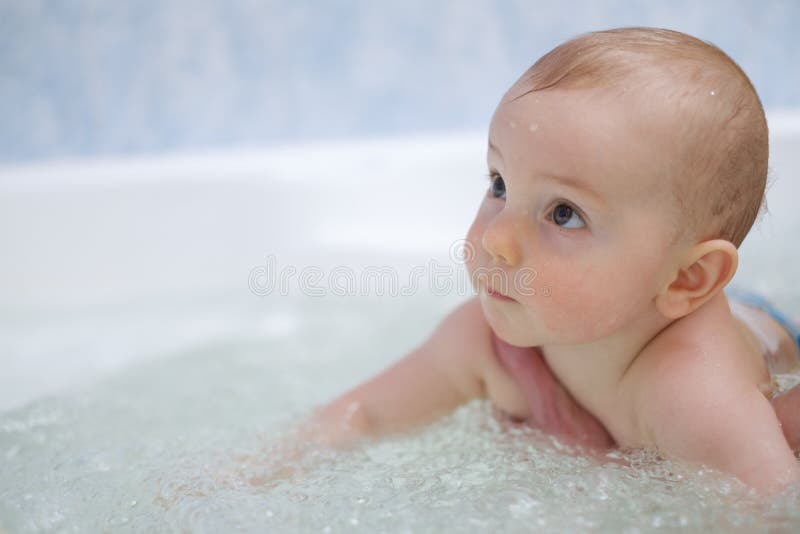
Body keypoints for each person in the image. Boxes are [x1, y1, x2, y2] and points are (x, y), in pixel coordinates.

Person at [306, 27, 800, 493]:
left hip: (767, 343)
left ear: (686, 278)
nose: (497, 238)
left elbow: (773, 515)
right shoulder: (488, 339)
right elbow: (364, 415)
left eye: (564, 214)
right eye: (499, 184)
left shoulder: (696, 395)